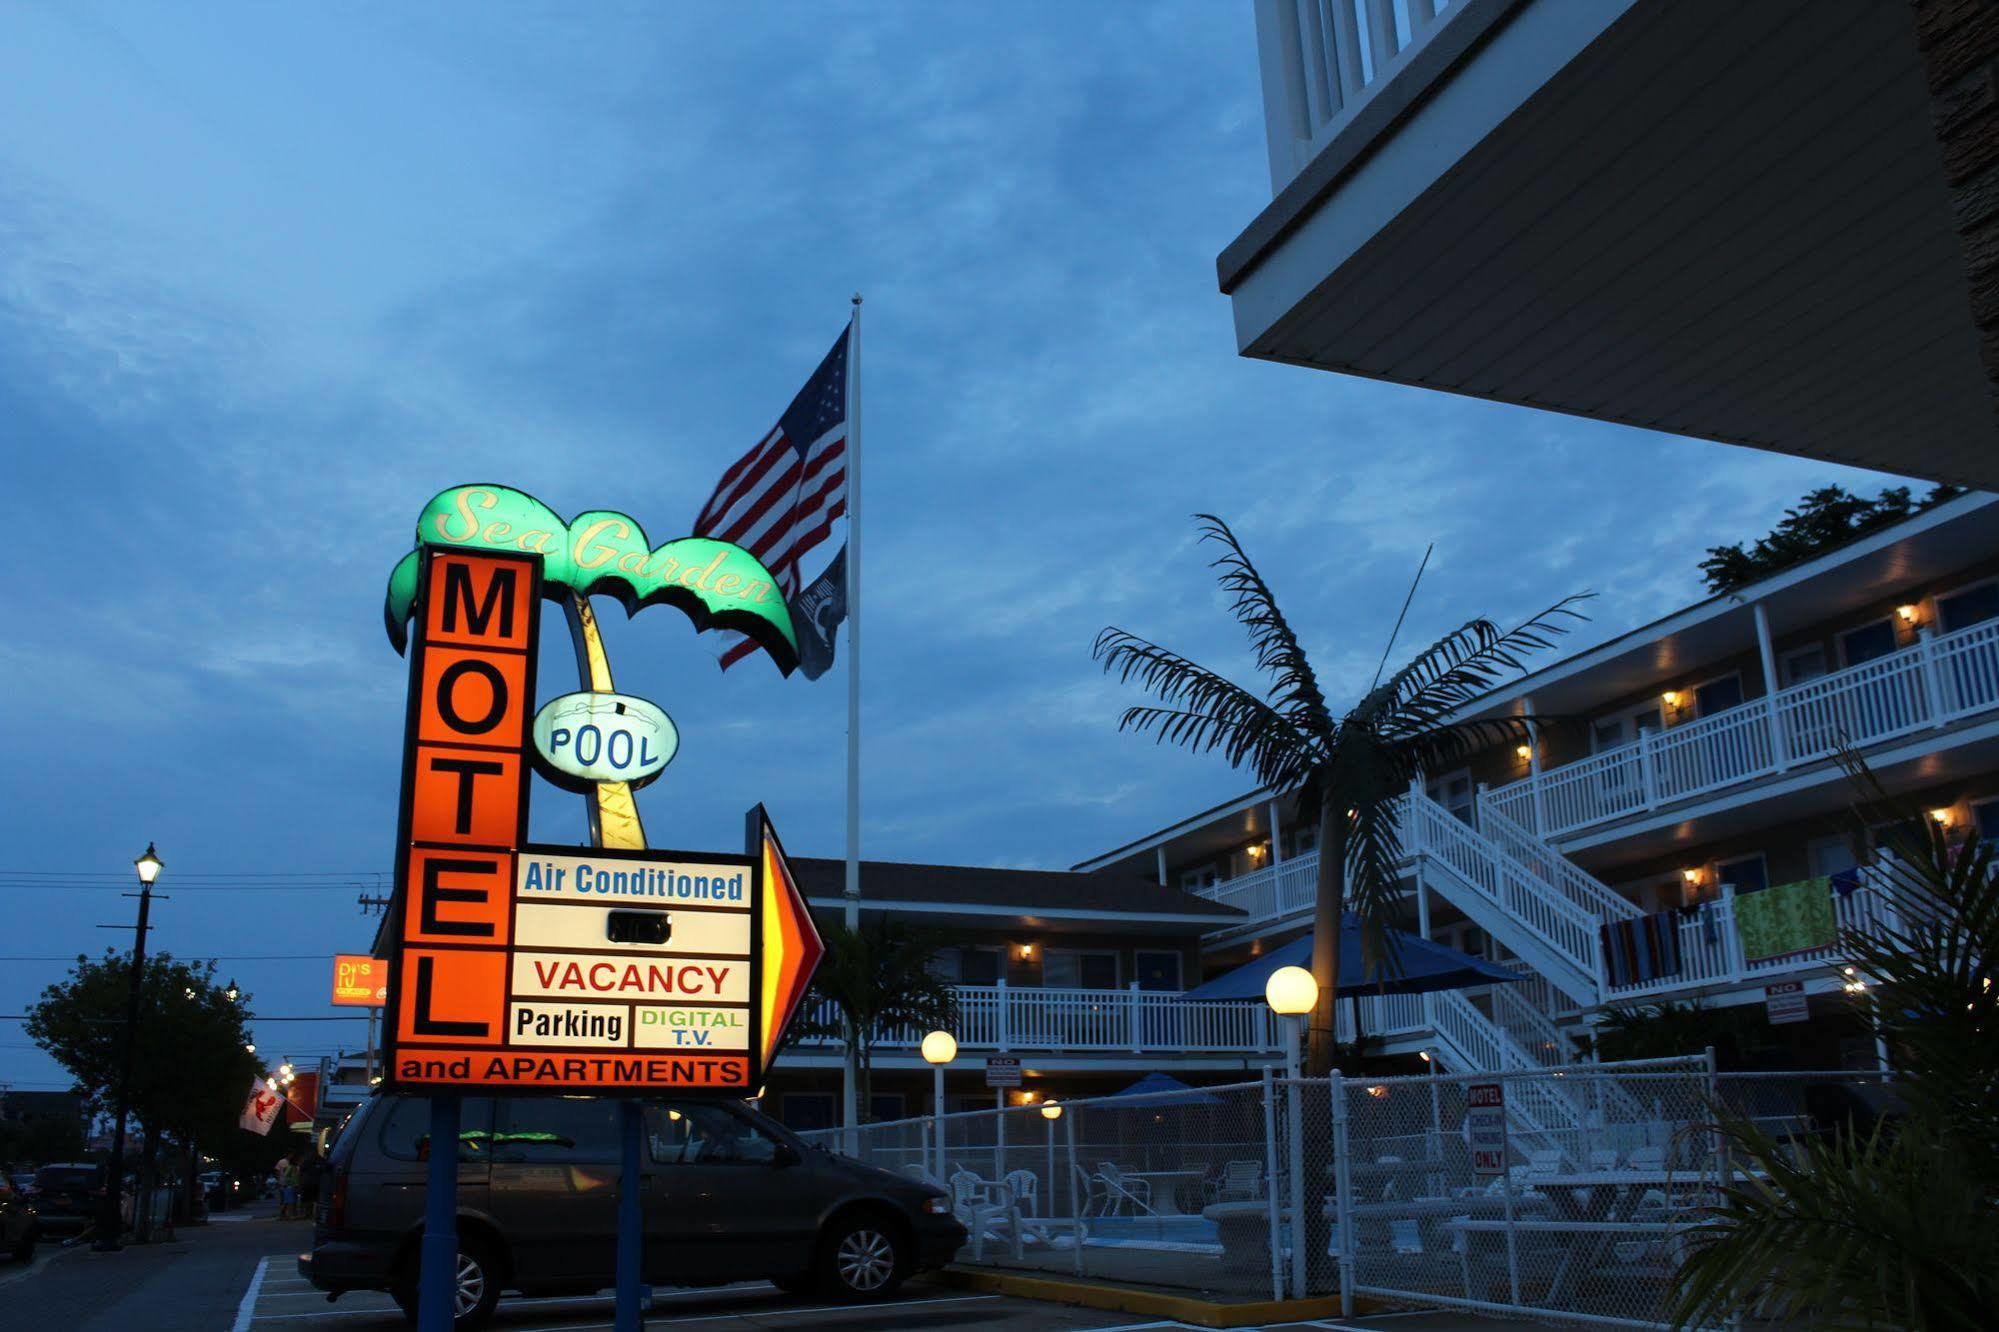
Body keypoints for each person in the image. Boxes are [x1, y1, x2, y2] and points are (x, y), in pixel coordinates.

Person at [276, 1152, 300, 1221]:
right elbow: (286, 1175)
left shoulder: (294, 1167)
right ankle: (288, 1215)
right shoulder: (291, 1167)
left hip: (292, 1185)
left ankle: (285, 1215)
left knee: (289, 1201)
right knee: (289, 1201)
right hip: (290, 1185)